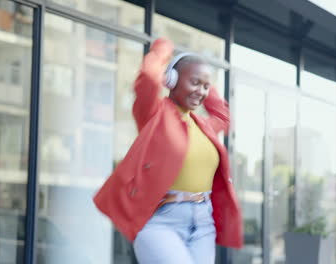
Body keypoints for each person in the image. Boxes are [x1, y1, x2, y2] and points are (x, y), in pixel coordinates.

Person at [93, 38, 243, 264]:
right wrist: (163, 49)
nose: (201, 91)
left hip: (203, 221)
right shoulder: (155, 114)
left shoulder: (203, 125)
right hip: (161, 220)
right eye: (194, 82)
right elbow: (148, 81)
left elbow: (223, 116)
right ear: (171, 80)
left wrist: (203, 83)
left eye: (205, 86)